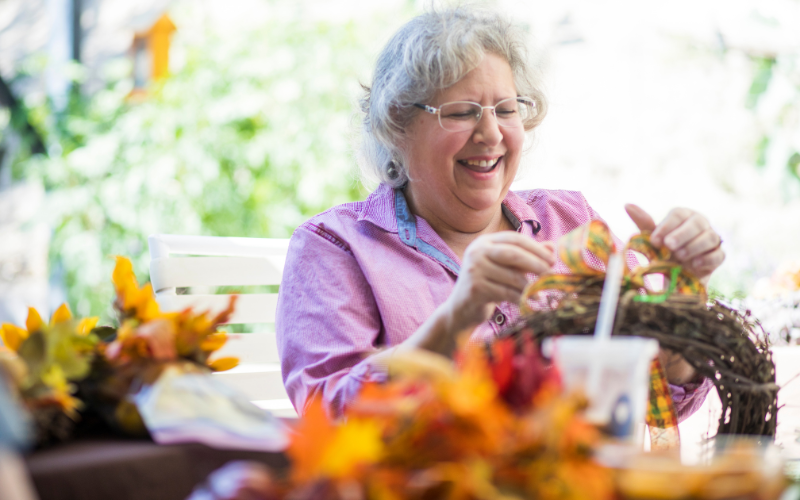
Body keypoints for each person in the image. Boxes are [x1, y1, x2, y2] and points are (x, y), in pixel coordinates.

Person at [276, 7, 722, 419]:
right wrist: (457, 318)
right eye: (462, 112)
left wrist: (680, 318)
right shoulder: (337, 246)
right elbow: (330, 412)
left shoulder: (572, 222)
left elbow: (654, 402)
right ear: (397, 124)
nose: (491, 133)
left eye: (506, 109)